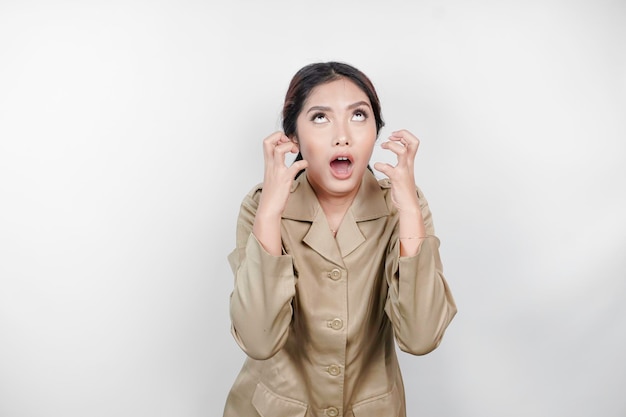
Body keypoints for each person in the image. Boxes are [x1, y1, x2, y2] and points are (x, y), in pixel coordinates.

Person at [223, 61, 457, 417]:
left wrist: (409, 211)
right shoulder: (260, 206)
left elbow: (420, 338)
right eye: (320, 117)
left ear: (376, 132)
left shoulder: (402, 205)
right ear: (292, 137)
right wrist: (270, 214)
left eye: (359, 116)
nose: (342, 135)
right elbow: (258, 340)